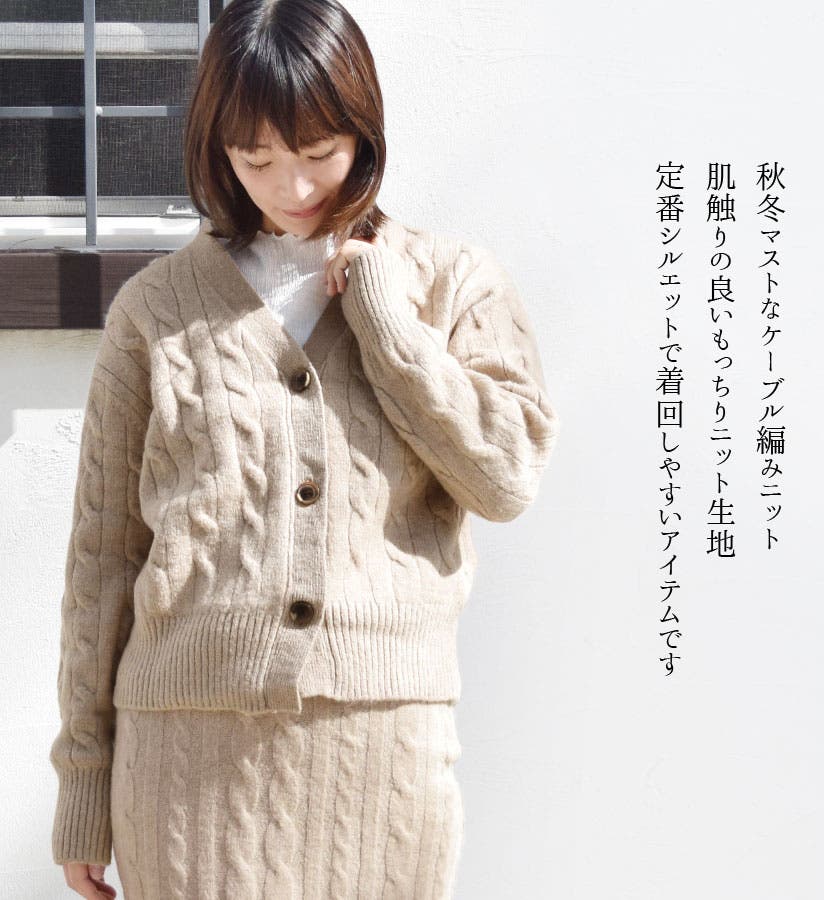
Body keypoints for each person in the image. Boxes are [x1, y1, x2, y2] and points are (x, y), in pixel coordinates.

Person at [49, 0, 560, 897]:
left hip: (385, 758)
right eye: (257, 159)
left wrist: (389, 329)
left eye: (320, 151)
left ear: (364, 128)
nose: (292, 186)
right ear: (218, 151)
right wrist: (83, 785)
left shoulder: (452, 283)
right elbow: (102, 561)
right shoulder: (153, 312)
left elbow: (507, 476)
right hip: (184, 767)